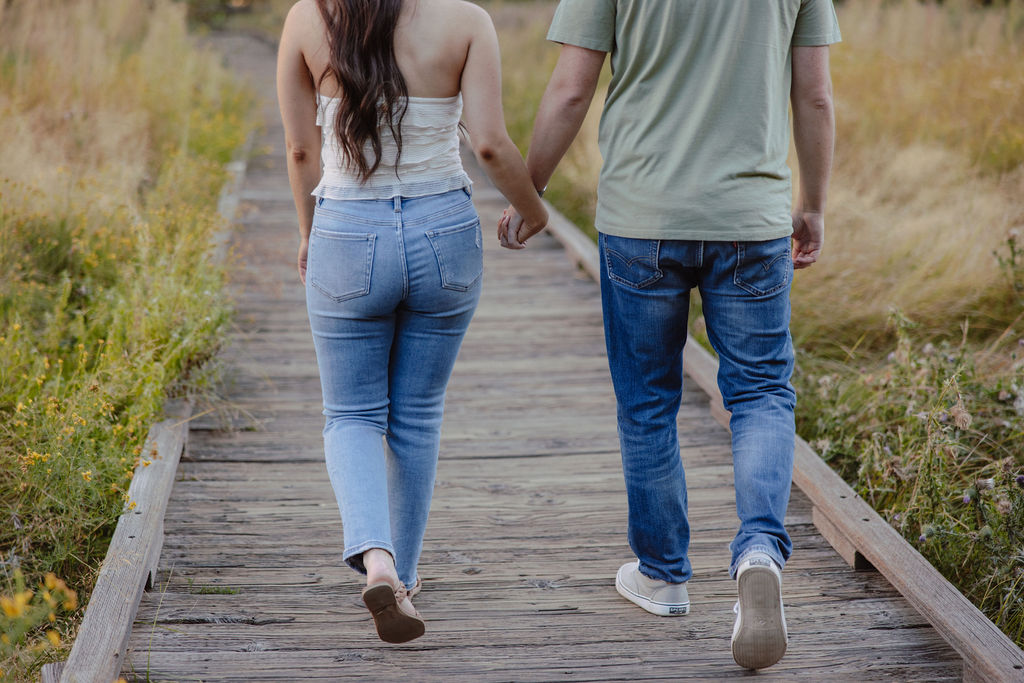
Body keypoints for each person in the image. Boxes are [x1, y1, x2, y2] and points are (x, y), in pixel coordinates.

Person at [500, 0, 839, 670]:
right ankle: (761, 550)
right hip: (751, 218)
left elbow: (571, 88)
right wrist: (814, 204)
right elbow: (816, 94)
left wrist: (528, 191)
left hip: (641, 215)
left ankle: (662, 574)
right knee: (763, 393)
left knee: (648, 399)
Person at [277, 0, 548, 644]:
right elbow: (489, 143)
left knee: (351, 414)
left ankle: (377, 562)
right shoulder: (467, 21)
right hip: (442, 232)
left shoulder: (308, 19)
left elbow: (298, 150)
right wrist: (531, 210)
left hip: (347, 228)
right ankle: (407, 576)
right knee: (418, 412)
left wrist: (308, 234)